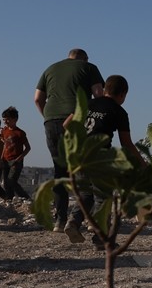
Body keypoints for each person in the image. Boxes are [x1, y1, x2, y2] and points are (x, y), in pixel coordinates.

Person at [62, 74, 145, 244]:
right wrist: (142, 163)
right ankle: (101, 238)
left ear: (105, 89)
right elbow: (126, 143)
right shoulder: (119, 111)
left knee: (85, 194)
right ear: (123, 94)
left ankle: (73, 222)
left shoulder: (88, 104)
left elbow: (66, 125)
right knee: (103, 197)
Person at [34, 48, 104, 228]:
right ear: (84, 58)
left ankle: (59, 219)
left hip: (51, 120)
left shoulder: (50, 69)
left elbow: (37, 99)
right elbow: (98, 95)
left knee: (60, 170)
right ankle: (82, 218)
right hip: (75, 118)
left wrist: (48, 117)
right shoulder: (89, 67)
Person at [0, 106, 33, 199]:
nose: (5, 122)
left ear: (15, 119)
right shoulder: (4, 131)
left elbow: (28, 148)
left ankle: (26, 198)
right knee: (6, 183)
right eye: (4, 119)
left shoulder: (20, 133)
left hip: (16, 162)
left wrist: (18, 160)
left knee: (12, 181)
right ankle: (10, 200)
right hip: (5, 160)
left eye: (8, 119)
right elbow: (4, 145)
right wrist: (1, 158)